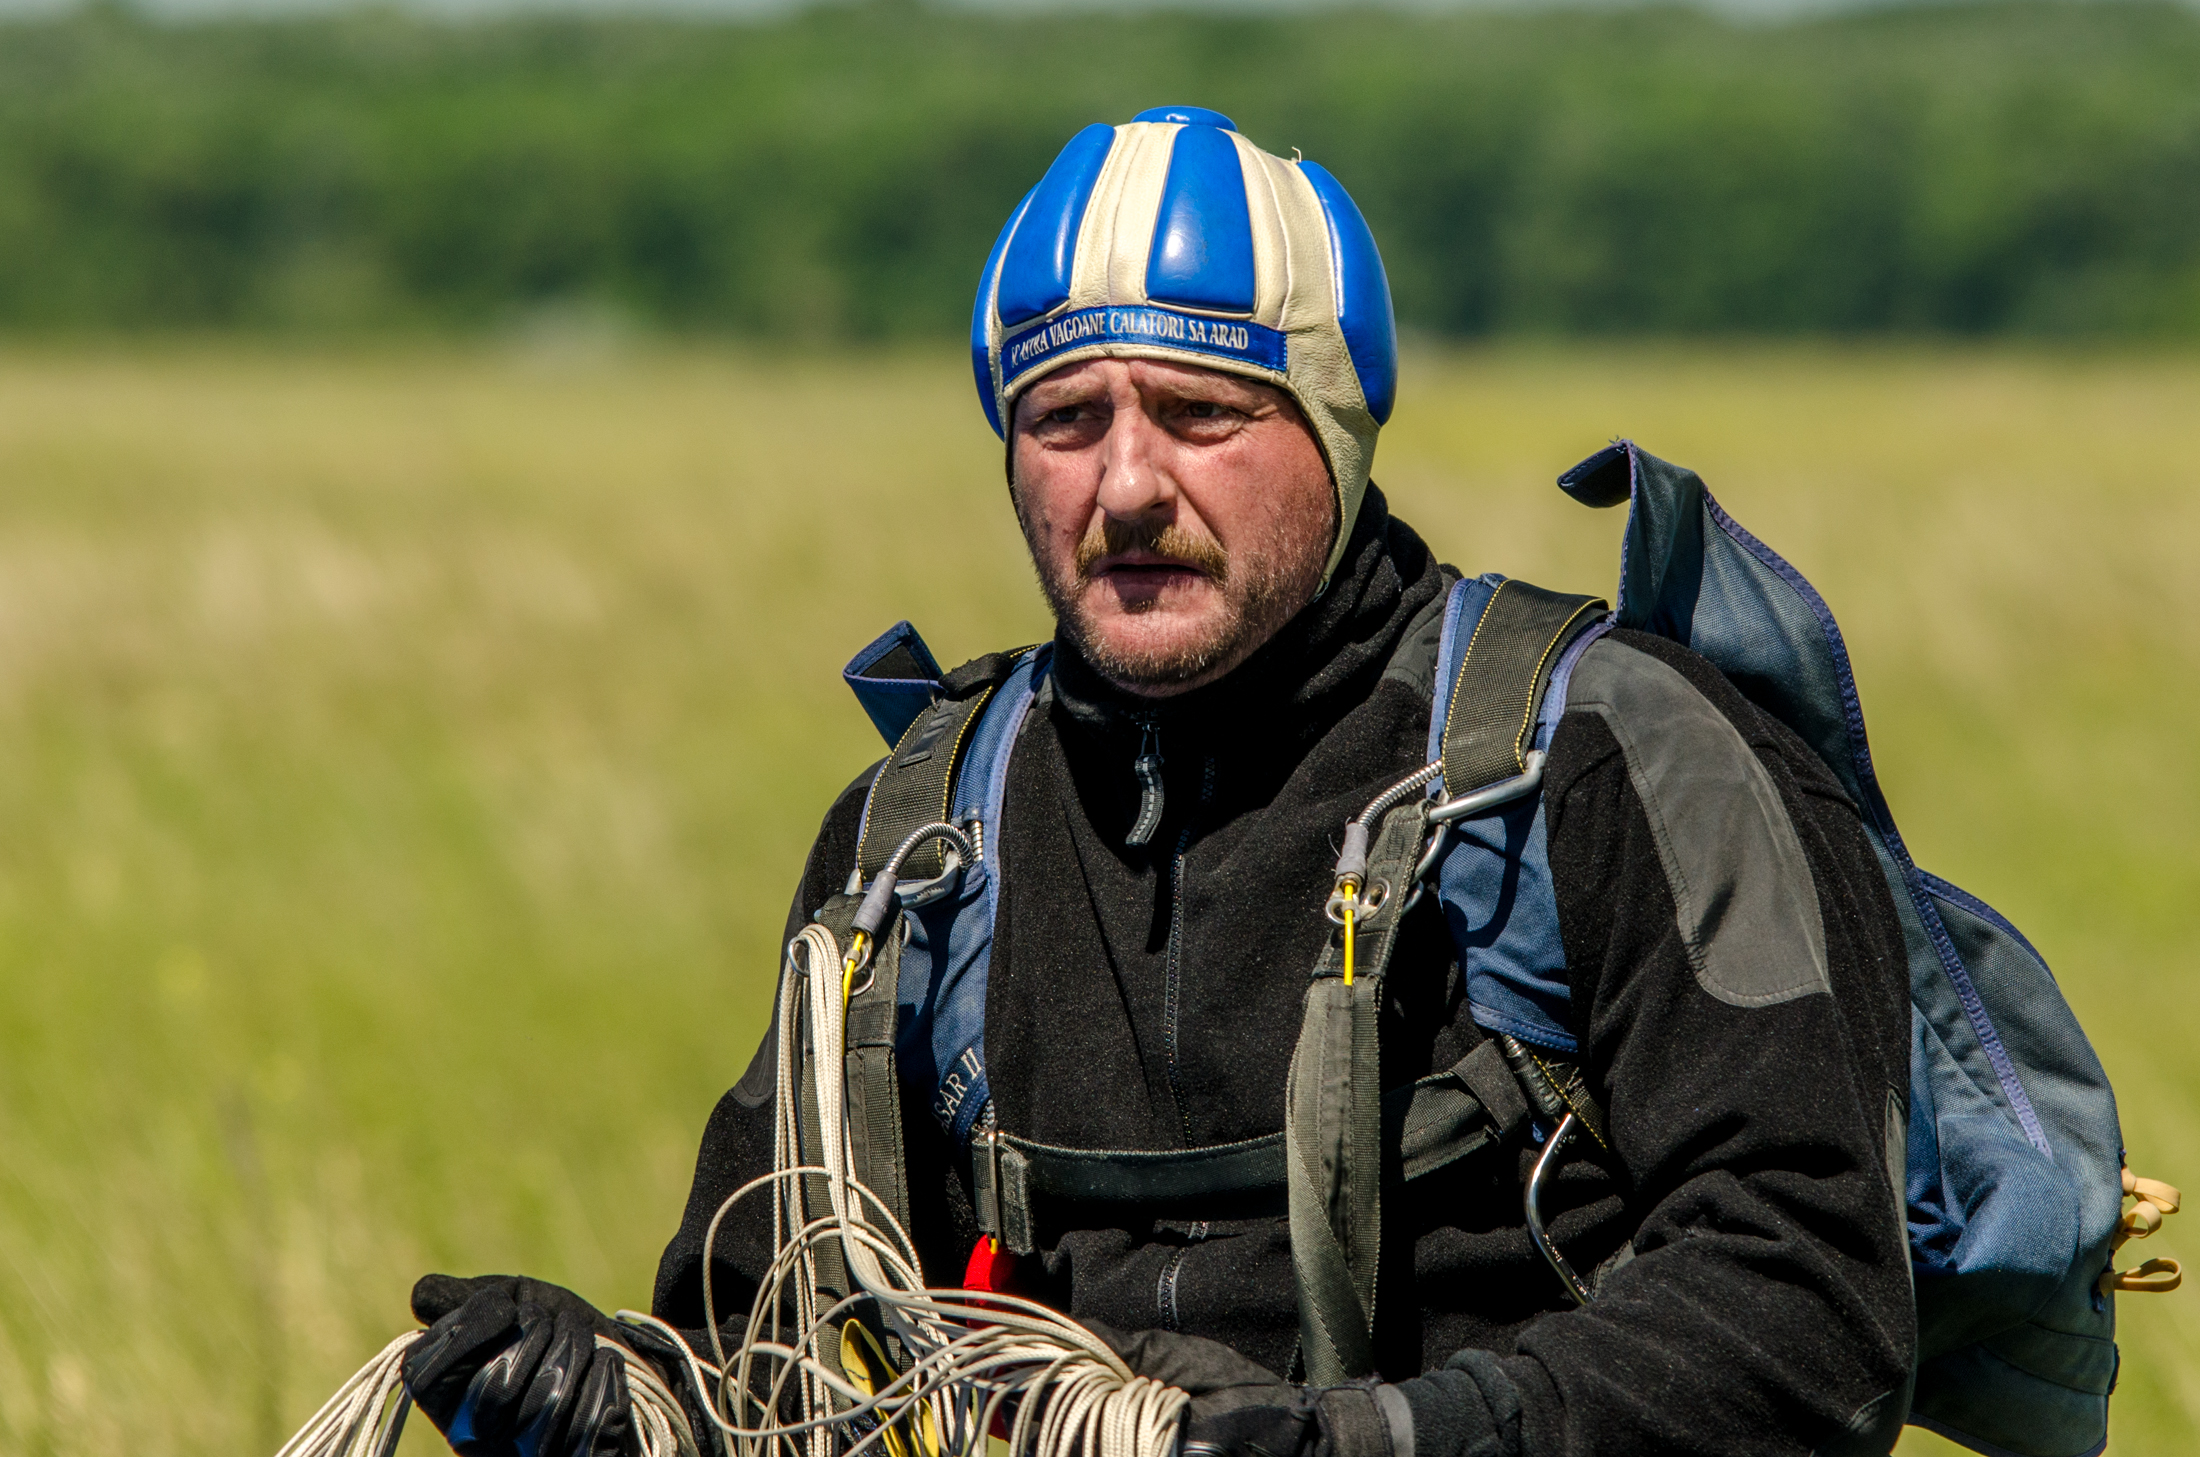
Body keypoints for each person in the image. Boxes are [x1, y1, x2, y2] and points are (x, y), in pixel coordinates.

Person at [398, 108, 1917, 1457]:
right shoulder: (919, 839)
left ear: (1332, 428)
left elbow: (1812, 1308)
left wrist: (1392, 1438)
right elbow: (777, 1345)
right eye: (1064, 420)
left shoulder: (1611, 755)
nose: (1125, 485)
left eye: (1201, 411)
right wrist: (609, 1397)